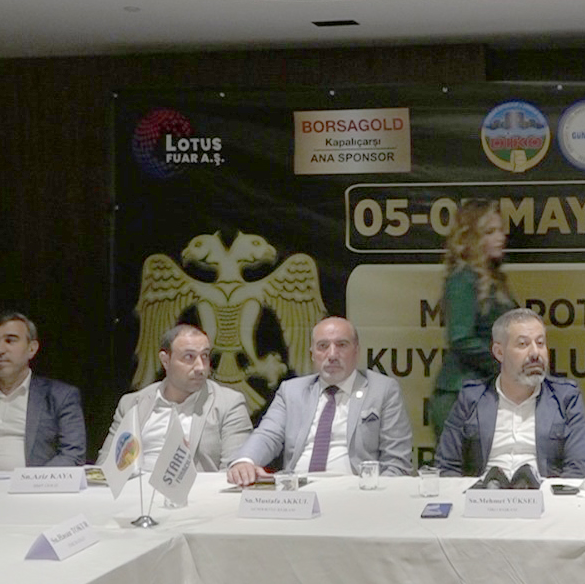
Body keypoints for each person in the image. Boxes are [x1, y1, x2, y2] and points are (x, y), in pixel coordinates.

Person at [227, 316, 412, 485]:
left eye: (342, 345)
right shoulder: (291, 391)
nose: (332, 355)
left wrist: (376, 496)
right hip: (297, 491)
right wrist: (245, 461)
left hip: (356, 491)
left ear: (357, 351)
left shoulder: (382, 390)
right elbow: (268, 435)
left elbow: (396, 462)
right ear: (312, 354)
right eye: (323, 346)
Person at [436, 309, 585, 479]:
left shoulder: (565, 398)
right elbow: (447, 466)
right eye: (523, 344)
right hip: (484, 492)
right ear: (499, 352)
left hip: (545, 493)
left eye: (540, 343)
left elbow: (581, 468)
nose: (535, 353)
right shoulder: (472, 398)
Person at [97, 323, 252, 472]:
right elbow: (106, 467)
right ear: (165, 360)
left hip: (197, 489)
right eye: (189, 357)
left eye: (205, 356)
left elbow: (234, 470)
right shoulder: (132, 404)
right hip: (135, 488)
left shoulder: (229, 404)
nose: (200, 367)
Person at [0, 311, 86, 468]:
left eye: (10, 340)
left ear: (32, 349)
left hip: (27, 482)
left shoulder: (60, 396)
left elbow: (72, 455)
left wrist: (32, 480)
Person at [429, 199, 516, 443]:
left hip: (486, 392)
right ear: (471, 238)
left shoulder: (494, 280)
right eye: (490, 232)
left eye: (500, 230)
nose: (500, 237)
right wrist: (508, 366)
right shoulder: (462, 278)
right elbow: (461, 339)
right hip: (460, 396)